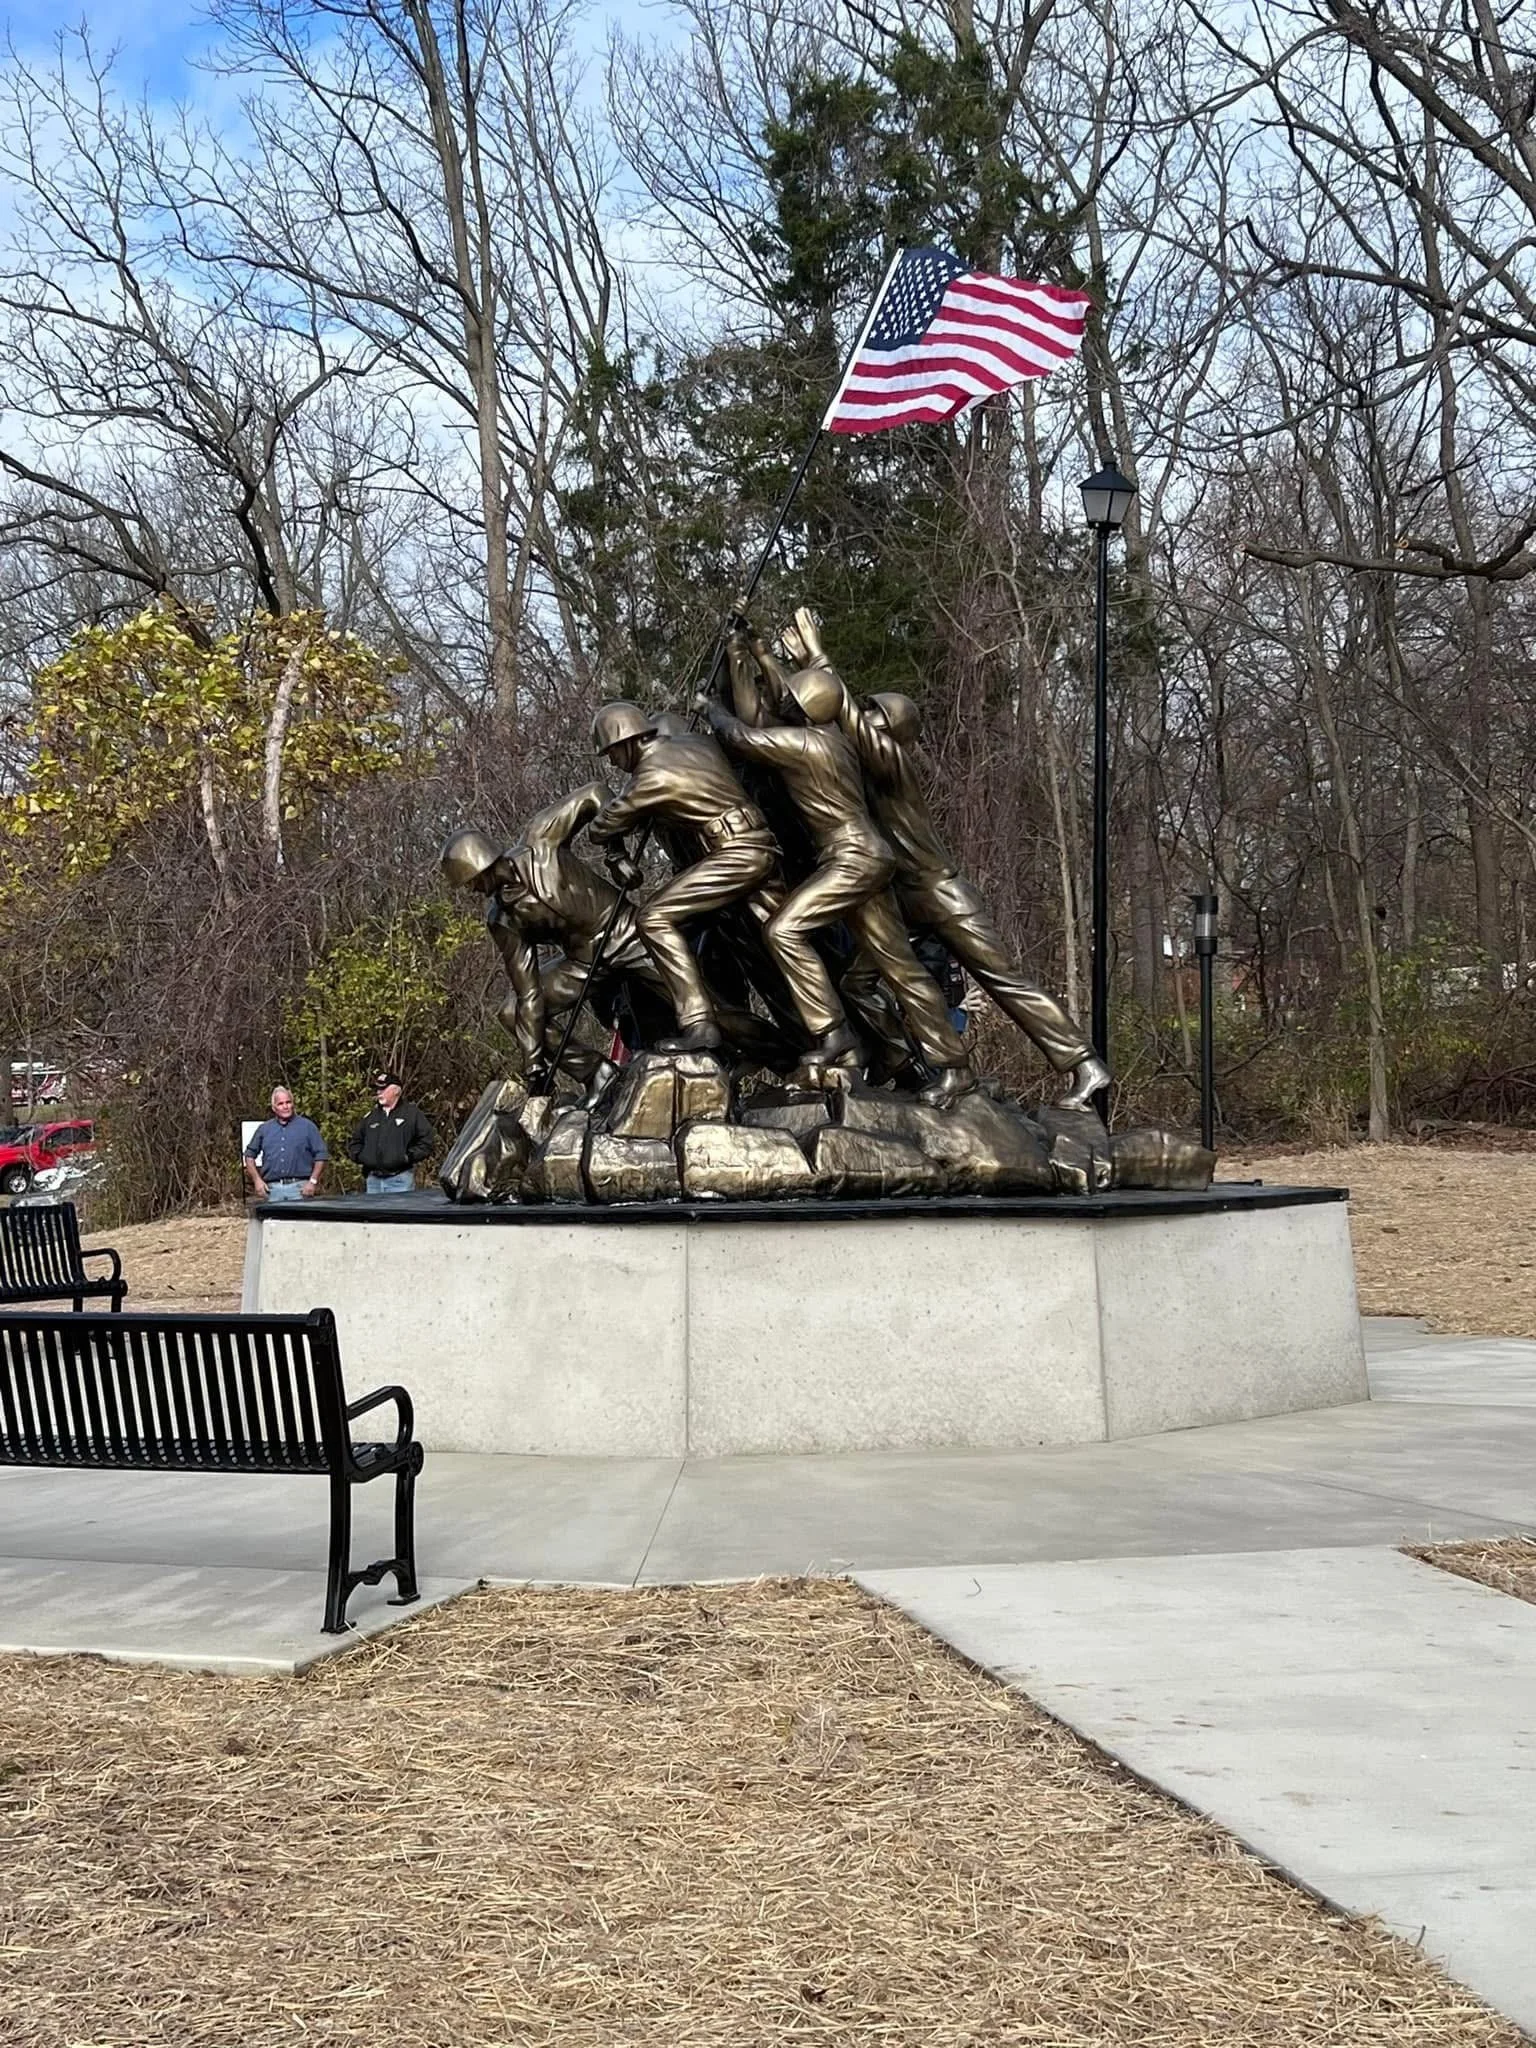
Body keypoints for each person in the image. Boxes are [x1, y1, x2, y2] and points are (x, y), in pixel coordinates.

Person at [708, 619, 975, 1105]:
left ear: (809, 710)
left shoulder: (809, 745)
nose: (785, 706)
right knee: (900, 971)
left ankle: (834, 1036)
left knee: (782, 931)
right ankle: (949, 1067)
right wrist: (755, 650)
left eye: (794, 703)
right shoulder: (836, 742)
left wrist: (710, 709)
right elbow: (782, 706)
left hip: (852, 859)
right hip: (868, 859)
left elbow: (743, 739)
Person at [587, 699, 786, 1054]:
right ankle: (817, 1042)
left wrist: (614, 847)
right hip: (761, 844)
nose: (615, 764)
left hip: (735, 854)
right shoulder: (698, 744)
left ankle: (699, 1025)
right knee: (777, 950)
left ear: (627, 742)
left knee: (652, 918)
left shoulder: (650, 777)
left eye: (613, 754)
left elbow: (601, 826)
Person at [347, 1072, 435, 1193]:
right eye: (377, 1089)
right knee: (374, 1212)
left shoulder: (412, 1114)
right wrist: (361, 1156)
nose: (379, 1092)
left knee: (399, 1212)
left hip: (400, 1180)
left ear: (396, 1091)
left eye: (383, 1089)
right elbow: (355, 1141)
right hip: (373, 1181)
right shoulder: (371, 1116)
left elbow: (427, 1141)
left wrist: (407, 1157)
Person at [243, 1086, 328, 1202]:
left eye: (288, 1102)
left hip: (301, 1189)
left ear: (293, 1104)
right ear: (274, 1108)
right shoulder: (264, 1129)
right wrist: (257, 1180)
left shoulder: (308, 1127)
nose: (285, 1106)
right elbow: (249, 1155)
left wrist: (313, 1181)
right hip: (272, 1190)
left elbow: (321, 1155)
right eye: (280, 1104)